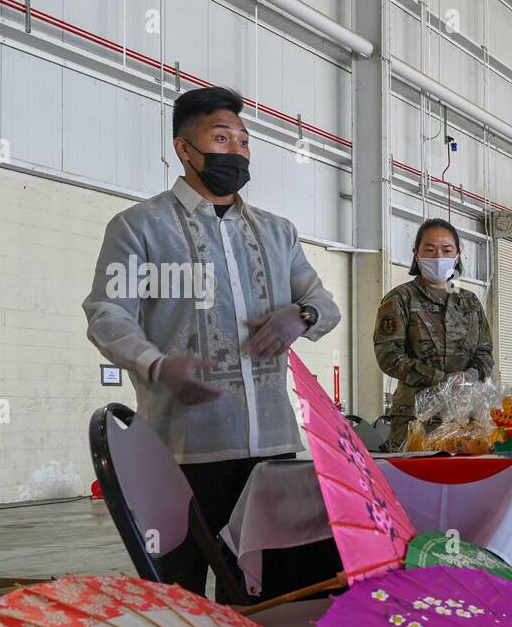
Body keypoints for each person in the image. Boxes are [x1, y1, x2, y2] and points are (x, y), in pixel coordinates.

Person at [83, 86, 341, 600]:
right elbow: (106, 312)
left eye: (244, 141)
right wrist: (155, 364)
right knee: (181, 594)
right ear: (184, 147)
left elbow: (324, 304)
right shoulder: (139, 227)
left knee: (269, 594)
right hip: (181, 449)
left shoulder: (277, 232)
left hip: (271, 451)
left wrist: (301, 314)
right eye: (221, 137)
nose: (237, 151)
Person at [374, 220, 493, 449]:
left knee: (467, 481)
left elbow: (485, 351)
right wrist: (443, 380)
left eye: (447, 250)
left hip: (465, 417)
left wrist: (471, 374)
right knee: (417, 481)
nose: (439, 256)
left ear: (457, 255)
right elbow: (389, 357)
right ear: (416, 254)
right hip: (416, 418)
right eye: (429, 249)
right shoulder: (400, 298)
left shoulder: (469, 301)